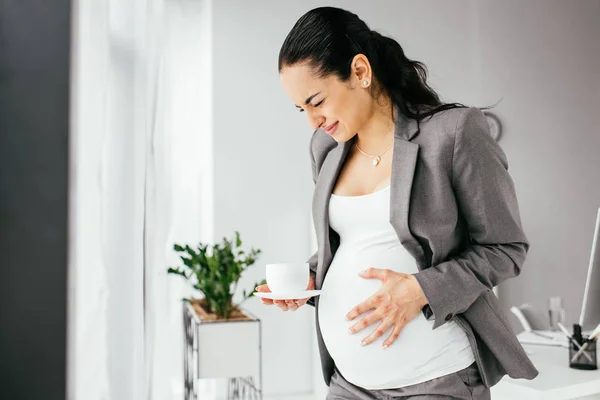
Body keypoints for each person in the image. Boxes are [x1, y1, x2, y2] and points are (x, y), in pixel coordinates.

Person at [256, 6, 538, 399]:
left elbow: (506, 249)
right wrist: (310, 278)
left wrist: (422, 289)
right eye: (301, 109)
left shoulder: (454, 133)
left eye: (316, 101)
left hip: (435, 381)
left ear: (359, 71)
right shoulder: (326, 147)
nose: (312, 121)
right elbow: (350, 243)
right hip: (348, 384)